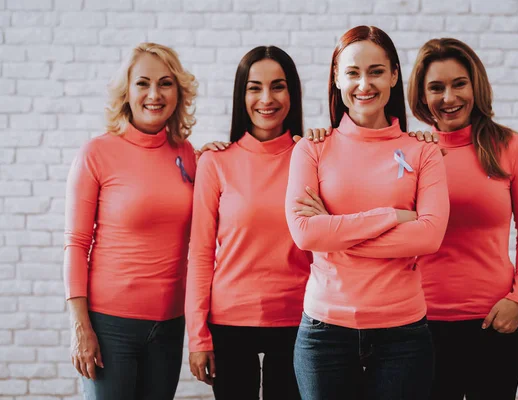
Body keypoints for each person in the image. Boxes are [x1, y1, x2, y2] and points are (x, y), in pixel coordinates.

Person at [285, 26, 450, 400]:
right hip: (324, 332)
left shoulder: (423, 152)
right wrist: (392, 216)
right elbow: (305, 234)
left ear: (394, 74)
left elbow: (429, 236)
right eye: (353, 72)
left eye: (376, 71)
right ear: (337, 78)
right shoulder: (312, 150)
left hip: (403, 334)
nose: (364, 84)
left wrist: (335, 234)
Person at [406, 38, 518, 400]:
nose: (449, 97)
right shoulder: (409, 152)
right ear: (421, 96)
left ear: (475, 85)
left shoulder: (511, 148)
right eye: (436, 87)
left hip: (493, 323)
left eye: (459, 84)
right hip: (419, 324)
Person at [63, 42, 198, 400]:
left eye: (165, 83)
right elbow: (76, 244)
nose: (154, 94)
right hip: (110, 326)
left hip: (169, 325)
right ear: (127, 92)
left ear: (178, 91)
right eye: (143, 83)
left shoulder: (187, 153)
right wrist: (80, 327)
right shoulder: (97, 153)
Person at [185, 46, 311, 400]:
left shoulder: (311, 157)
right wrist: (197, 335)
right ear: (241, 95)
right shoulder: (215, 162)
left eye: (278, 86)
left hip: (299, 320)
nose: (266, 98)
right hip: (229, 321)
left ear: (293, 93)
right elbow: (199, 254)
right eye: (254, 87)